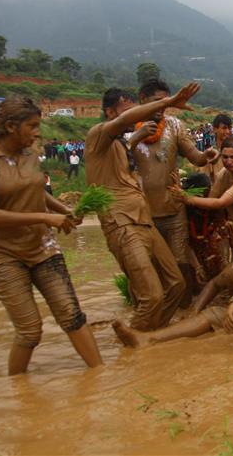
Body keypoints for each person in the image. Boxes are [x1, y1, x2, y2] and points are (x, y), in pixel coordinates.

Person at [0, 97, 102, 374]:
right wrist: (43, 216)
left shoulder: (30, 154)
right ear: (11, 127)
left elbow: (35, 190)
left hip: (42, 245)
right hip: (2, 252)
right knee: (29, 330)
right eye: (33, 126)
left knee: (72, 316)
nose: (38, 132)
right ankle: (18, 393)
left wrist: (63, 208)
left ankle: (100, 374)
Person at [85, 84, 199, 331]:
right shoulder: (97, 136)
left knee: (176, 284)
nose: (135, 114)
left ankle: (153, 333)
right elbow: (128, 121)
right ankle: (134, 345)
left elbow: (192, 155)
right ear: (110, 114)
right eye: (129, 110)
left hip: (144, 219)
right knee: (151, 295)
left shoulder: (120, 144)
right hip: (122, 222)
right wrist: (166, 102)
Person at [133, 80, 219, 306]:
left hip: (173, 208)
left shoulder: (175, 126)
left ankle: (184, 308)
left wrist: (206, 156)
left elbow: (194, 156)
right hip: (142, 214)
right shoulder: (127, 128)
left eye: (166, 101)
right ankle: (152, 308)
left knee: (181, 260)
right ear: (143, 99)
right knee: (148, 264)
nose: (162, 107)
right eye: (156, 102)